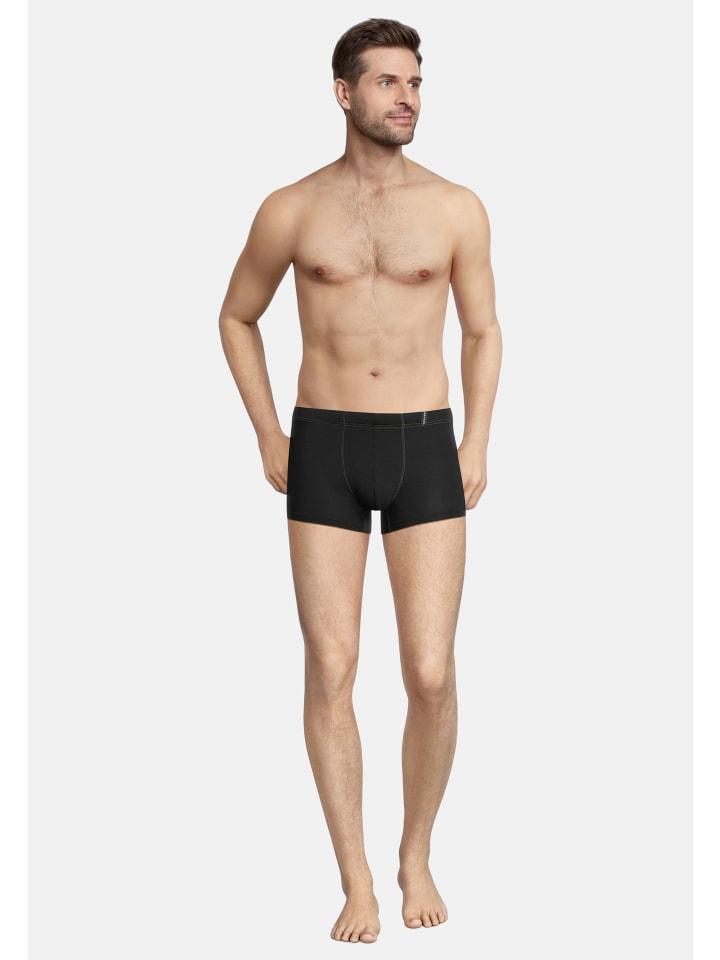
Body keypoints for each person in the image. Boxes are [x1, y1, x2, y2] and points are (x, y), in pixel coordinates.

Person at [218, 17, 502, 944]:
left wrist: (477, 440)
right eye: (387, 82)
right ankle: (356, 880)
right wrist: (270, 432)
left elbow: (483, 329)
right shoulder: (291, 208)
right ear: (344, 93)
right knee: (332, 666)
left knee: (430, 671)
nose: (406, 97)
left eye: (414, 82)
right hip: (325, 445)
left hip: (424, 440)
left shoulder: (456, 207)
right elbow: (236, 316)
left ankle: (416, 851)